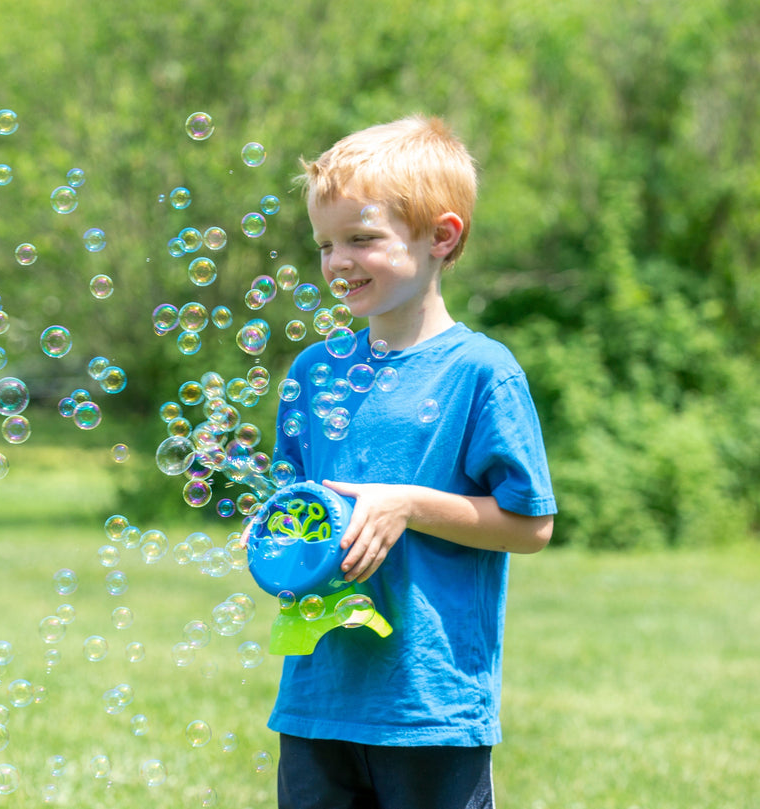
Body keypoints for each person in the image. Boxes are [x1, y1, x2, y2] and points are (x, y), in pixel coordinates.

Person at [266, 115, 558, 809]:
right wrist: (275, 540)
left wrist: (407, 503)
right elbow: (292, 508)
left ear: (441, 237)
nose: (337, 261)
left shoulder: (481, 371)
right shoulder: (314, 373)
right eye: (325, 244)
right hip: (319, 696)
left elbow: (530, 525)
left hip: (429, 704)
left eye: (361, 238)